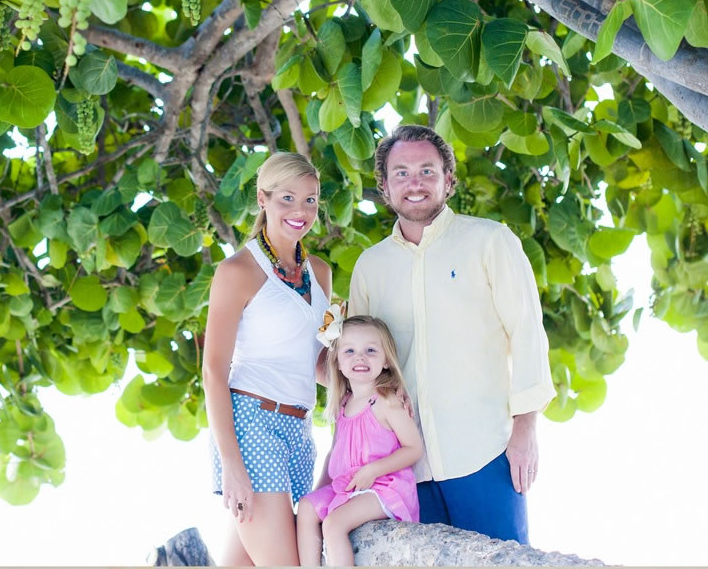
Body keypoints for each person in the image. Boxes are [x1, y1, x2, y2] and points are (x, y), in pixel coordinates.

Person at [348, 125, 556, 544]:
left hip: (486, 453)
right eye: (401, 173)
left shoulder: (491, 241)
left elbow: (527, 333)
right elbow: (360, 366)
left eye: (427, 170)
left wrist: (526, 429)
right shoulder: (370, 267)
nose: (415, 183)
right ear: (385, 188)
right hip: (402, 468)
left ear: (449, 179)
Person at [203, 152, 332, 566]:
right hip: (251, 423)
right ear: (263, 198)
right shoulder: (237, 271)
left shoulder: (320, 272)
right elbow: (212, 371)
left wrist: (372, 383)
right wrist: (231, 466)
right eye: (287, 199)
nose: (300, 211)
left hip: (299, 429)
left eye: (310, 200)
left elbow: (316, 363)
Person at [297, 314, 422, 566]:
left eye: (371, 350)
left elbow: (414, 449)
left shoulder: (386, 400)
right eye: (350, 350)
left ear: (386, 361)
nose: (360, 357)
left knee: (334, 524)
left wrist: (373, 470)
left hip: (384, 487)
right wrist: (320, 489)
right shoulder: (343, 404)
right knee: (306, 507)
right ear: (338, 362)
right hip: (349, 486)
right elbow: (335, 454)